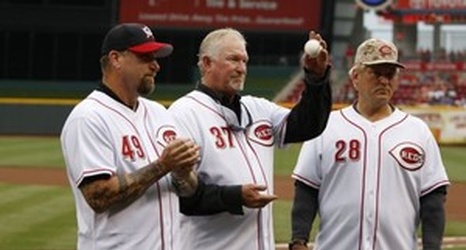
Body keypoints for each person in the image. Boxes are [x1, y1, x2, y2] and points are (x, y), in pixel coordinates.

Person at [168, 28, 332, 250]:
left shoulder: (257, 108)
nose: (241, 68)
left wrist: (316, 78)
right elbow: (180, 193)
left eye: (244, 60)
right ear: (206, 63)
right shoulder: (184, 113)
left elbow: (306, 125)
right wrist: (235, 197)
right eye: (233, 59)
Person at [289, 38, 450, 250]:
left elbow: (432, 200)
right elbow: (306, 190)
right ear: (356, 77)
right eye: (376, 73)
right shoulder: (326, 126)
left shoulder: (417, 131)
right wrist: (299, 240)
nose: (384, 81)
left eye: (390, 74)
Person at [60, 23, 200, 250]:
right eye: (145, 57)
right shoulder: (88, 117)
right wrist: (164, 165)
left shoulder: (159, 113)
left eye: (156, 57)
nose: (155, 66)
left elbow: (189, 190)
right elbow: (99, 197)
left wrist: (183, 173)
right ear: (116, 59)